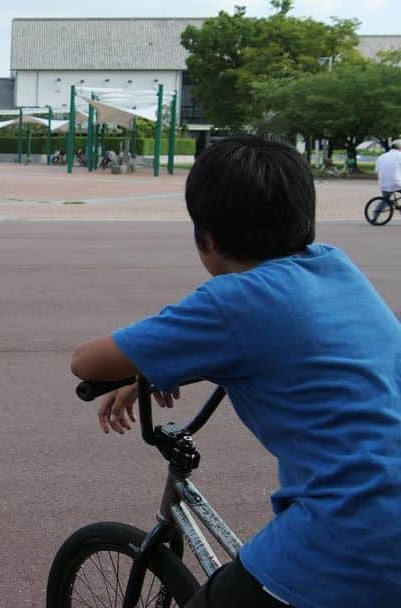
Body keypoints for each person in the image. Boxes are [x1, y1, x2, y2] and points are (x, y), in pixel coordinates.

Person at [70, 136, 401, 607]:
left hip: (353, 536)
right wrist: (159, 370)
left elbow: (86, 360)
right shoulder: (336, 267)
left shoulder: (231, 301)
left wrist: (148, 364)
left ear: (208, 239)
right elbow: (290, 347)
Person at [373, 139, 401, 218]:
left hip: (384, 184)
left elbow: (376, 172)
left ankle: (376, 213)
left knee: (385, 199)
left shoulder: (381, 157)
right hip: (397, 183)